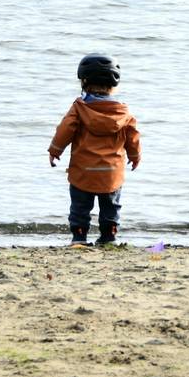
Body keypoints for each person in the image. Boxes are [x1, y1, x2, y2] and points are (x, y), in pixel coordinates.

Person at [49, 53, 141, 246]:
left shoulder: (79, 108)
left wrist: (55, 151)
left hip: (83, 171)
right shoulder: (123, 112)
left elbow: (65, 130)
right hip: (111, 173)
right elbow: (133, 136)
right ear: (113, 86)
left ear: (83, 82)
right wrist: (135, 156)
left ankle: (79, 237)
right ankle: (109, 236)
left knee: (80, 207)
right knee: (111, 206)